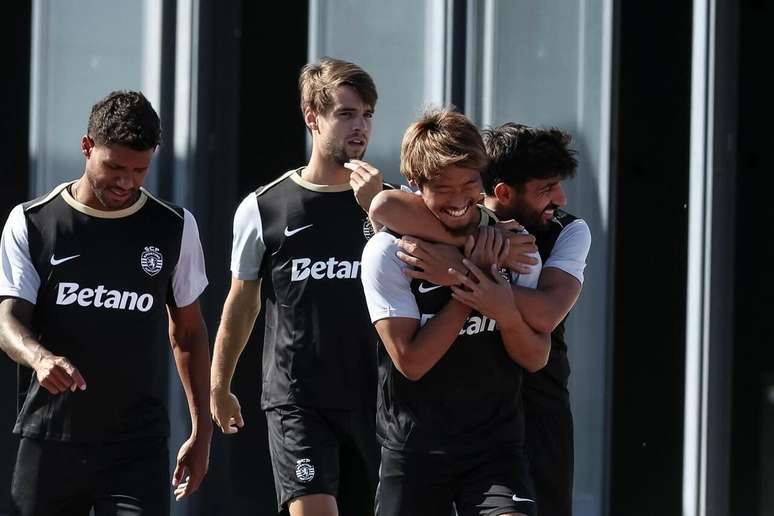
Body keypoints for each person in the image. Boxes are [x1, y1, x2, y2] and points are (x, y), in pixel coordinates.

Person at [0, 90, 212, 515]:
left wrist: (201, 433)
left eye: (140, 169)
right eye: (114, 166)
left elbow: (187, 333)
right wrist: (40, 359)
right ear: (86, 147)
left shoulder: (174, 227)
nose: (126, 181)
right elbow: (8, 322)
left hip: (135, 445)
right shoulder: (34, 222)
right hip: (51, 437)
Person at [369, 123, 590, 516]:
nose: (458, 199)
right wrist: (472, 267)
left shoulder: (525, 240)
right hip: (419, 443)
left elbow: (543, 331)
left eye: (467, 184)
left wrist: (468, 277)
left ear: (481, 181)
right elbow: (412, 362)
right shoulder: (396, 248)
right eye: (444, 187)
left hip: (509, 431)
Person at [209, 57, 387, 516]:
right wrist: (219, 383)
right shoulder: (263, 208)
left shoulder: (389, 204)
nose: (360, 127)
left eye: (367, 114)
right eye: (346, 114)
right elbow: (242, 301)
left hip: (377, 397)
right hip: (297, 399)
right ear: (313, 117)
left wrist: (379, 215)